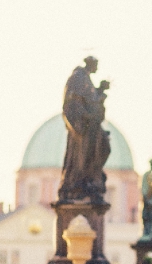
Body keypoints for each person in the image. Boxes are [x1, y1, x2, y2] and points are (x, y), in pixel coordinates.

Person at [59, 56, 111, 202]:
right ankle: (80, 184)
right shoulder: (78, 77)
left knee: (104, 148)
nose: (98, 68)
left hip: (91, 127)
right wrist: (81, 119)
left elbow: (91, 100)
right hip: (82, 128)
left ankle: (91, 180)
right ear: (91, 64)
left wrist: (100, 89)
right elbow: (76, 102)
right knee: (83, 157)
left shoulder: (86, 79)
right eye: (97, 65)